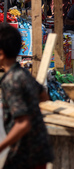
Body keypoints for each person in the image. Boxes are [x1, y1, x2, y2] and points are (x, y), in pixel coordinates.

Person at [0, 23, 54, 168]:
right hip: (39, 149)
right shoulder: (22, 73)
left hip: (25, 155)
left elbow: (23, 124)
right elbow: (43, 96)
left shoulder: (11, 81)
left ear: (1, 54)